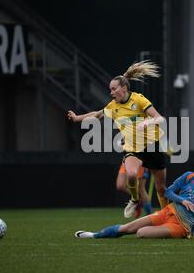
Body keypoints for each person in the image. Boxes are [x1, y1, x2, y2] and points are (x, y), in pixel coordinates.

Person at [67, 61, 169, 219]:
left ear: (124, 88)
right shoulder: (113, 106)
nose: (111, 92)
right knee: (131, 174)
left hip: (151, 146)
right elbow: (96, 114)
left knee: (161, 189)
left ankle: (168, 218)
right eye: (110, 90)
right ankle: (135, 199)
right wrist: (76, 118)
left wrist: (148, 121)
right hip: (133, 148)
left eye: (114, 89)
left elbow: (159, 118)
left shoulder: (138, 100)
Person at [75, 153, 194, 239]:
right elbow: (167, 192)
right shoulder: (189, 176)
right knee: (127, 228)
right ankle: (93, 235)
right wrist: (182, 199)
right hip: (167, 212)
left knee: (140, 234)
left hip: (181, 225)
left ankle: (183, 235)